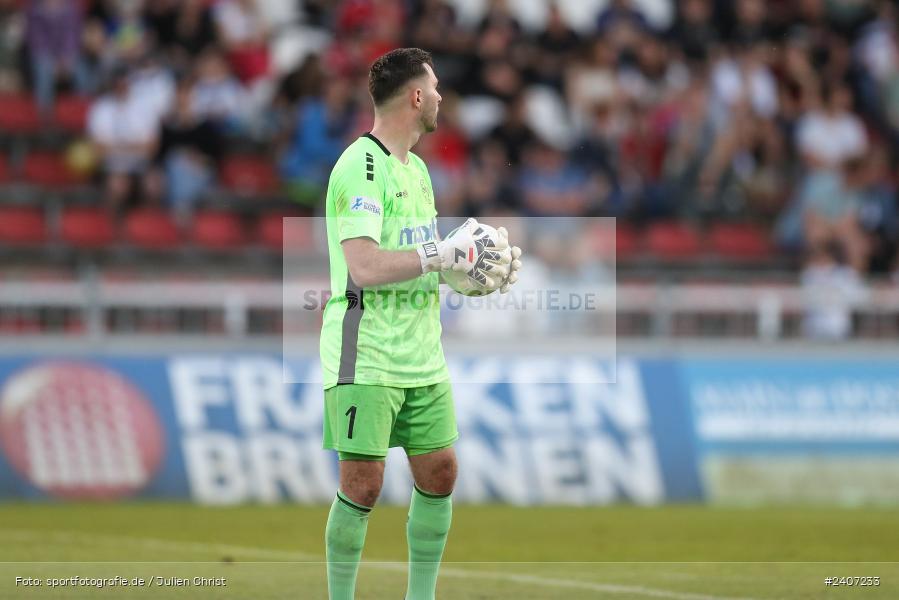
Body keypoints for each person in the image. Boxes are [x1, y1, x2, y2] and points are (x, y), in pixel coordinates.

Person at [319, 47, 521, 600]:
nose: (439, 98)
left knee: (441, 473)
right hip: (367, 350)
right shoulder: (360, 165)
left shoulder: (421, 171)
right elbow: (363, 265)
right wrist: (441, 256)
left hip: (422, 354)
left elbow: (420, 260)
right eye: (434, 88)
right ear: (414, 96)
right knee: (363, 485)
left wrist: (470, 273)